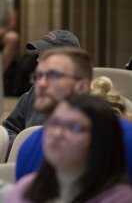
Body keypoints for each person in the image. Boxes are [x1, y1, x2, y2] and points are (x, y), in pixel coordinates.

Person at [15, 48, 132, 181]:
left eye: (54, 76)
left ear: (82, 87)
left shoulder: (124, 139)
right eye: (39, 76)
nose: (41, 84)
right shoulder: (31, 146)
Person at [7, 94, 132, 202]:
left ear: (100, 140)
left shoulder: (120, 198)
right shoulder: (25, 189)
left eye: (74, 127)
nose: (58, 134)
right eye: (54, 123)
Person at [2, 30, 80, 142]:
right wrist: (24, 147)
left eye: (46, 56)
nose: (39, 61)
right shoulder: (33, 93)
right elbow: (9, 129)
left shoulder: (83, 103)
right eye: (40, 55)